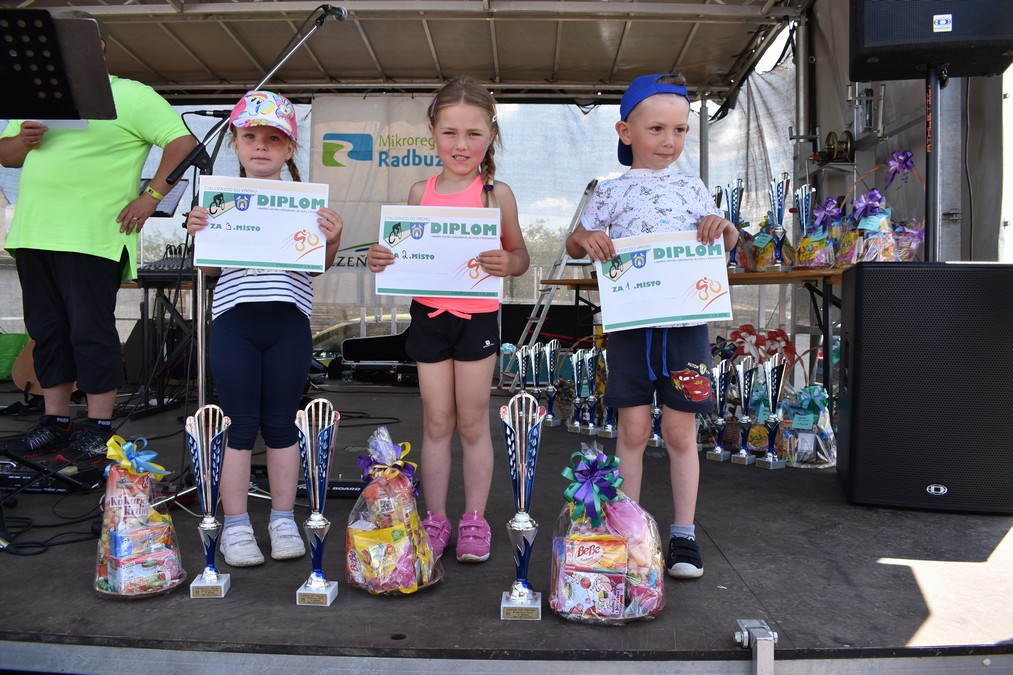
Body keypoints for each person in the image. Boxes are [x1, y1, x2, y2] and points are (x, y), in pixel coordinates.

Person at [0, 11, 197, 463]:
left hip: (92, 236)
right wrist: (23, 140)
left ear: (98, 47)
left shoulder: (130, 94)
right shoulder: (36, 97)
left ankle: (99, 427)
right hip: (34, 232)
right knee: (46, 330)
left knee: (90, 330)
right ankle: (55, 422)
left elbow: (183, 143)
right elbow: (7, 156)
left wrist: (151, 196)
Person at [565, 73, 738, 580]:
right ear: (625, 131)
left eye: (680, 130)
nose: (669, 141)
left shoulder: (693, 187)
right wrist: (587, 238)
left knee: (681, 431)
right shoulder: (610, 191)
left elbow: (723, 243)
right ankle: (629, 535)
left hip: (685, 328)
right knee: (634, 429)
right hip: (631, 330)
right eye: (656, 128)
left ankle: (684, 535)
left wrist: (724, 228)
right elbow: (576, 241)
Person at [366, 78, 529, 563]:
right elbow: (399, 253)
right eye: (450, 133)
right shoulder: (420, 191)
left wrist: (508, 262)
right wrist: (381, 257)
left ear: (491, 135)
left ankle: (475, 519)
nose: (461, 145)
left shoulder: (497, 194)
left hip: (477, 319)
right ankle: (434, 519)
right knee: (437, 422)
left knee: (474, 422)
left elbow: (520, 255)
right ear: (432, 133)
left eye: (473, 134)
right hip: (429, 318)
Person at [185, 91, 344, 566]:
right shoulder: (216, 203)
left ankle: (282, 519)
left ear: (289, 148)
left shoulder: (306, 205)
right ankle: (235, 526)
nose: (260, 146)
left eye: (273, 139)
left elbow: (317, 267)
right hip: (235, 322)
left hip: (288, 323)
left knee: (281, 423)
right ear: (235, 144)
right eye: (251, 136)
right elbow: (209, 271)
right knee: (237, 424)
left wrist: (332, 238)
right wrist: (200, 232)